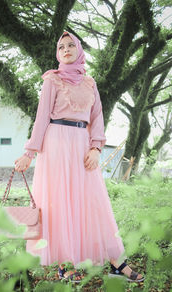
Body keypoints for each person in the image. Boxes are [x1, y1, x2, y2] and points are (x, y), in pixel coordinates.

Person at [15, 31, 144, 283]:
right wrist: (28, 153)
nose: (65, 49)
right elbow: (42, 119)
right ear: (57, 52)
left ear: (79, 49)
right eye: (61, 46)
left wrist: (96, 148)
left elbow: (97, 118)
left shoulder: (90, 82)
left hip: (83, 146)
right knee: (59, 204)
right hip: (55, 144)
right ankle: (65, 263)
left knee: (95, 203)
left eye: (70, 45)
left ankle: (118, 262)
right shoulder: (51, 80)